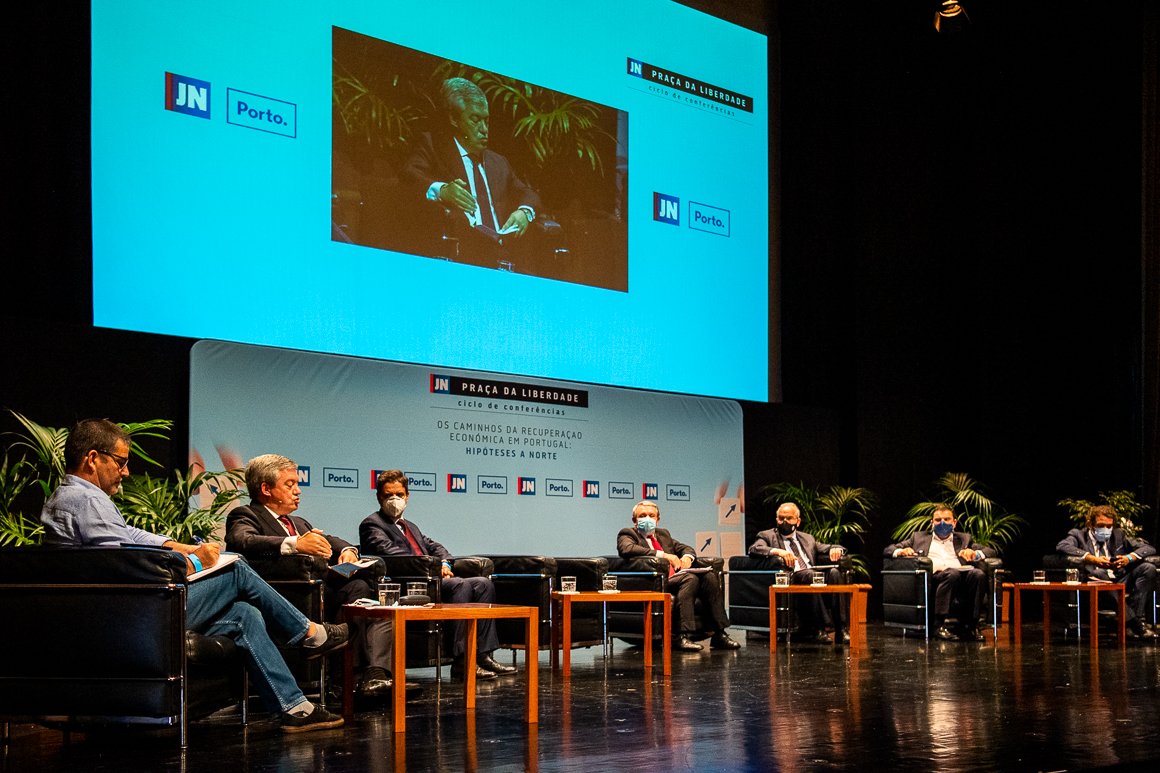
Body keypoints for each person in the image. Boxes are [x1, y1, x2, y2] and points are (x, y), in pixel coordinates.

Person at [39, 419, 347, 732]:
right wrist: (194, 562)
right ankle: (308, 633)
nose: (126, 472)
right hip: (135, 615)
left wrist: (180, 546)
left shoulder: (72, 497)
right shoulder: (88, 500)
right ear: (93, 458)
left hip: (127, 611)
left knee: (244, 614)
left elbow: (128, 535)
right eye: (121, 462)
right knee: (235, 568)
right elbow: (125, 565)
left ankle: (294, 707)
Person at [225, 454, 421, 700]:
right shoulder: (245, 515)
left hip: (321, 592)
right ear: (266, 489)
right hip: (287, 599)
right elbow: (242, 540)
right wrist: (295, 543)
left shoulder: (298, 522)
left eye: (297, 484)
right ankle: (353, 680)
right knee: (357, 595)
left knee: (363, 591)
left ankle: (366, 677)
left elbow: (331, 540)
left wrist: (348, 551)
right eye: (289, 485)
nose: (298, 491)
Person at [359, 469, 517, 681]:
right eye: (388, 495)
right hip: (409, 585)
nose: (394, 499)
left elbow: (435, 547)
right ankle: (461, 662)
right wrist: (434, 568)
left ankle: (482, 655)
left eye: (399, 494)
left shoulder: (410, 526)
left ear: (407, 496)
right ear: (379, 497)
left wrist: (443, 563)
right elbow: (394, 555)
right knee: (460, 585)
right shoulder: (372, 524)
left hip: (431, 578)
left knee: (482, 584)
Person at [403, 76, 543, 269]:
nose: (484, 129)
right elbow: (409, 174)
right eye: (475, 120)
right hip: (459, 255)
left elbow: (529, 193)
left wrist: (524, 212)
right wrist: (442, 191)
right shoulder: (433, 146)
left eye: (486, 121)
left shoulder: (498, 163)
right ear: (454, 119)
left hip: (502, 256)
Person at [616, 501, 741, 652]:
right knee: (690, 579)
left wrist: (687, 557)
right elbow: (627, 549)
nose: (647, 519)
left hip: (674, 579)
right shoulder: (628, 534)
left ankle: (719, 633)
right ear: (634, 520)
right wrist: (664, 555)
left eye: (651, 515)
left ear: (657, 519)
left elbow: (686, 548)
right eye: (642, 515)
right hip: (653, 582)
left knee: (709, 576)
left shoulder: (663, 535)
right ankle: (681, 636)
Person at [883, 505, 993, 642]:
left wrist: (975, 554)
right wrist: (901, 551)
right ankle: (938, 625)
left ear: (954, 522)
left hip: (962, 578)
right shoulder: (918, 538)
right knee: (952, 574)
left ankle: (972, 626)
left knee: (978, 574)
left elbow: (990, 551)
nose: (942, 523)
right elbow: (888, 549)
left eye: (947, 519)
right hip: (934, 579)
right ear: (932, 523)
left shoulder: (964, 539)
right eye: (938, 520)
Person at [748, 502, 848, 644]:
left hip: (810, 574)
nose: (784, 522)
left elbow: (827, 547)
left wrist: (836, 549)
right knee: (811, 575)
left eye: (789, 518)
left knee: (834, 573)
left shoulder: (807, 538)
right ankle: (819, 629)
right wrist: (778, 551)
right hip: (792, 577)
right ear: (776, 519)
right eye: (781, 518)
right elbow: (754, 549)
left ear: (798, 521)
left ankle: (841, 630)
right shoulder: (767, 535)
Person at [1056, 504, 1157, 639]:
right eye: (1101, 525)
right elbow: (1062, 546)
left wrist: (1128, 558)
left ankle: (1131, 624)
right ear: (1090, 524)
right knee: (1100, 573)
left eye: (1109, 526)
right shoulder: (1078, 535)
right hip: (1093, 585)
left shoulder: (1118, 534)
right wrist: (1092, 559)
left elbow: (1149, 548)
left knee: (1148, 568)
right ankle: (1136, 625)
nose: (1106, 529)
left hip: (1119, 580)